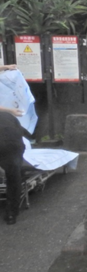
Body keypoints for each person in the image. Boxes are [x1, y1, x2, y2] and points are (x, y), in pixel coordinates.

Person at [0, 64, 26, 224]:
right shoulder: (10, 119)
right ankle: (11, 213)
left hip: (7, 134)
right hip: (10, 138)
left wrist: (5, 67)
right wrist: (11, 111)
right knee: (13, 175)